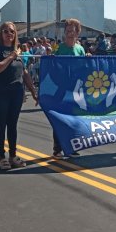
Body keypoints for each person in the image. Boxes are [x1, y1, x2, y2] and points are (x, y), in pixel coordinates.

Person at [0, 21, 38, 170]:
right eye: (5, 31)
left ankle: (13, 155)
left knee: (12, 125)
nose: (9, 34)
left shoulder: (17, 51)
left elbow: (24, 72)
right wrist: (11, 56)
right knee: (1, 124)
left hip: (16, 93)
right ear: (1, 33)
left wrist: (34, 92)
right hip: (0, 92)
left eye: (12, 31)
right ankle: (2, 157)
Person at [50, 18, 86, 159]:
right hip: (61, 89)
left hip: (76, 89)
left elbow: (84, 69)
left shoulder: (80, 49)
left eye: (74, 30)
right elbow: (52, 69)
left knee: (74, 119)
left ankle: (71, 147)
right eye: (68, 30)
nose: (71, 33)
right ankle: (57, 148)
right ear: (65, 32)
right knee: (59, 119)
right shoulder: (59, 49)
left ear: (78, 33)